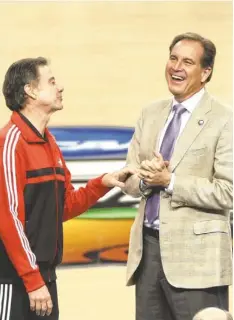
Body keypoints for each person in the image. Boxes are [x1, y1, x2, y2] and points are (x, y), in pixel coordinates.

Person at [0, 57, 135, 320]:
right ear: (30, 90)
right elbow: (8, 219)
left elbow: (61, 208)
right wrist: (32, 280)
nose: (60, 87)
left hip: (43, 279)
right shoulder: (9, 143)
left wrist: (102, 183)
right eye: (51, 82)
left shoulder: (50, 143)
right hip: (13, 279)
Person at [123, 32, 233, 320]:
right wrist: (147, 180)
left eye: (187, 61)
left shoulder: (224, 120)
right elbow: (130, 178)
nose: (176, 67)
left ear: (206, 72)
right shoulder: (150, 113)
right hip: (148, 253)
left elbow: (227, 191)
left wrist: (169, 182)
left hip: (198, 263)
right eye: (173, 58)